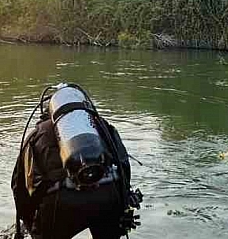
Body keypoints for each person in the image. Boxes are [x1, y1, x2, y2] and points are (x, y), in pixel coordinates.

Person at [12, 83, 142, 239]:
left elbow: (20, 186)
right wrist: (123, 206)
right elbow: (123, 165)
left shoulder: (36, 135)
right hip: (106, 194)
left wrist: (29, 223)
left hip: (60, 202)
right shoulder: (101, 125)